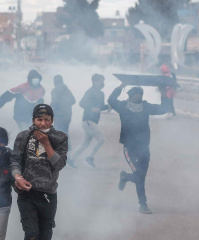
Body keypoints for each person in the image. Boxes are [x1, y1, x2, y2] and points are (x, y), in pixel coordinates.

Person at [11, 104, 68, 240]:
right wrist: (18, 177)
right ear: (33, 120)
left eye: (47, 120)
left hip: (48, 195)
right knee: (31, 234)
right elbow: (15, 160)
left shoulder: (60, 138)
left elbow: (59, 165)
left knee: (45, 236)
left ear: (52, 120)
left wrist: (46, 143)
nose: (43, 123)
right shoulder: (23, 136)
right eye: (39, 119)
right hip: (27, 193)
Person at [108, 86, 168, 214]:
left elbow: (164, 108)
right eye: (135, 93)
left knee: (141, 176)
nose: (138, 95)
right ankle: (143, 204)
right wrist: (120, 87)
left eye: (140, 93)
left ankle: (125, 177)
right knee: (139, 176)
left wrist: (164, 94)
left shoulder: (146, 107)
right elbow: (111, 100)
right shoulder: (123, 106)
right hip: (129, 148)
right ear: (129, 95)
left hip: (144, 148)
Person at [68, 74, 109, 168]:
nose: (102, 83)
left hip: (93, 121)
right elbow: (81, 103)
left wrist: (107, 107)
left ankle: (71, 159)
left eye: (102, 81)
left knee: (85, 144)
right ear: (94, 81)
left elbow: (100, 107)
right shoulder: (90, 92)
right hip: (88, 120)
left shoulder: (101, 93)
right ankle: (90, 158)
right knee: (101, 139)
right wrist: (92, 108)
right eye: (100, 81)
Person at [50, 75, 76, 139]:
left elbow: (54, 102)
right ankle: (68, 148)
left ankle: (60, 148)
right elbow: (73, 101)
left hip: (59, 115)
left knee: (57, 132)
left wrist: (49, 108)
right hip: (68, 115)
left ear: (54, 82)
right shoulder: (67, 90)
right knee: (65, 132)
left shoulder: (54, 91)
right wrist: (66, 104)